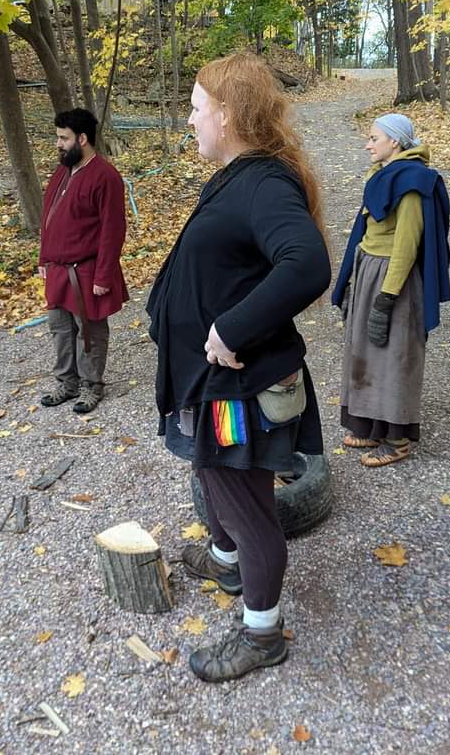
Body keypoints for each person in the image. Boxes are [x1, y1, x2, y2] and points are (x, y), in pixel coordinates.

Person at [146, 52, 330, 682]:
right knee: (211, 468)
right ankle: (226, 561)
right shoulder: (234, 176)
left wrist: (229, 327)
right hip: (214, 383)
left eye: (197, 110)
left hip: (239, 390)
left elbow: (306, 265)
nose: (190, 122)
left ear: (226, 115)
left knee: (245, 503)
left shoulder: (263, 183)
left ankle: (262, 634)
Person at [331, 113, 450, 466]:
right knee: (365, 351)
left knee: (394, 356)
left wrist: (387, 296)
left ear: (395, 142)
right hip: (370, 270)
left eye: (374, 138)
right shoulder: (385, 174)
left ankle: (397, 439)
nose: (368, 144)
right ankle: (371, 427)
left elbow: (407, 244)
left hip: (391, 280)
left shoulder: (413, 182)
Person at [38, 108, 127, 415]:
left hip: (87, 271)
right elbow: (48, 219)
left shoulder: (106, 177)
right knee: (60, 329)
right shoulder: (62, 172)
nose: (58, 144)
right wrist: (44, 258)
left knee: (89, 330)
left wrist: (103, 276)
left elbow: (112, 231)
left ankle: (91, 385)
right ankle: (67, 382)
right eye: (58, 137)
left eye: (63, 138)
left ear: (83, 139)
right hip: (58, 270)